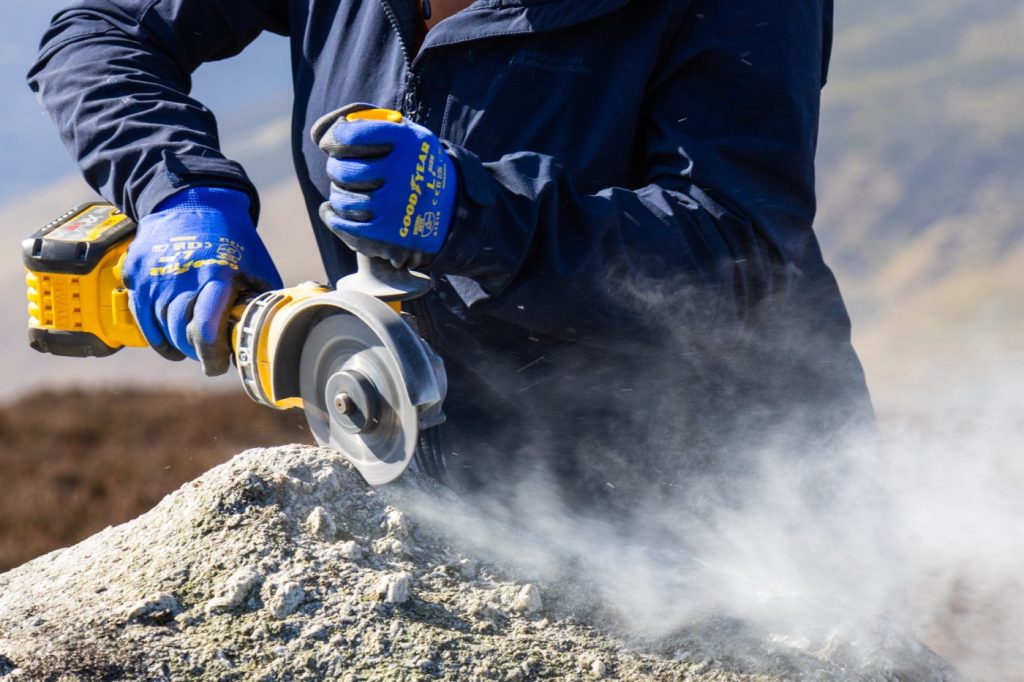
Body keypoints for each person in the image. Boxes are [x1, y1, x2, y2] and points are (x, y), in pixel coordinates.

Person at [28, 0, 874, 508]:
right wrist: (180, 191)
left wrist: (476, 212)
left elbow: (738, 247)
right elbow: (98, 29)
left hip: (724, 490)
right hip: (429, 469)